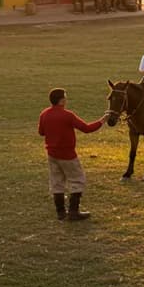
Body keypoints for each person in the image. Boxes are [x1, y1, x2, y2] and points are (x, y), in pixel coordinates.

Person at [38, 88, 105, 221]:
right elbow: (86, 129)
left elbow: (41, 132)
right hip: (68, 154)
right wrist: (103, 120)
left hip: (52, 154)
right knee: (77, 180)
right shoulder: (67, 115)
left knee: (57, 182)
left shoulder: (44, 114)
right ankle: (74, 212)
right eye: (65, 97)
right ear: (62, 100)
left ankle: (61, 212)